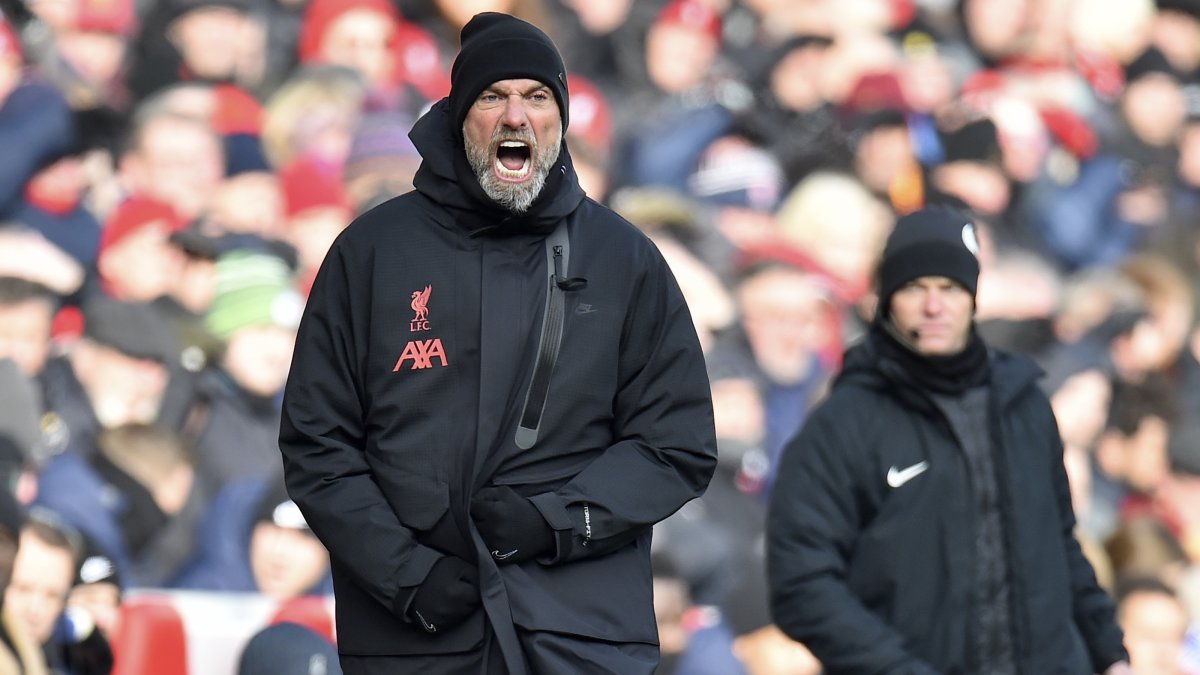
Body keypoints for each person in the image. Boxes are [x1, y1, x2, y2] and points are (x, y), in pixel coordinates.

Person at [279, 12, 717, 675]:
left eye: (537, 97)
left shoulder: (624, 258)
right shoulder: (371, 253)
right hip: (416, 640)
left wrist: (561, 521)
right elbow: (318, 443)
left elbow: (675, 442)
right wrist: (407, 577)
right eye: (493, 96)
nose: (516, 115)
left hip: (579, 639)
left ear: (562, 121)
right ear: (459, 116)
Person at [766, 206, 1132, 674]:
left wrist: (1110, 653)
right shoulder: (843, 423)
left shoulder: (1024, 405)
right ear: (886, 298)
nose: (934, 306)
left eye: (950, 288)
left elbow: (1061, 545)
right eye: (915, 287)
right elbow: (802, 583)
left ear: (973, 297)